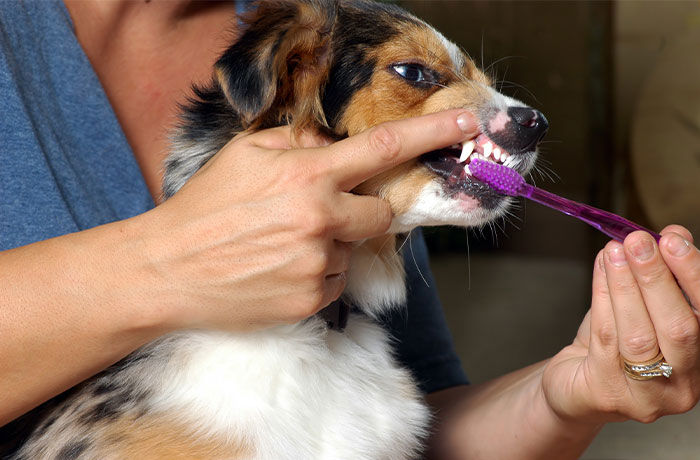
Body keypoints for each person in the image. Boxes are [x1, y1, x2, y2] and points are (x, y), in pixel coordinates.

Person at [1, 1, 698, 459]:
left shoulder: (341, 39)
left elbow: (420, 424)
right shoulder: (308, 50)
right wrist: (168, 269)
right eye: (417, 75)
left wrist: (566, 395)